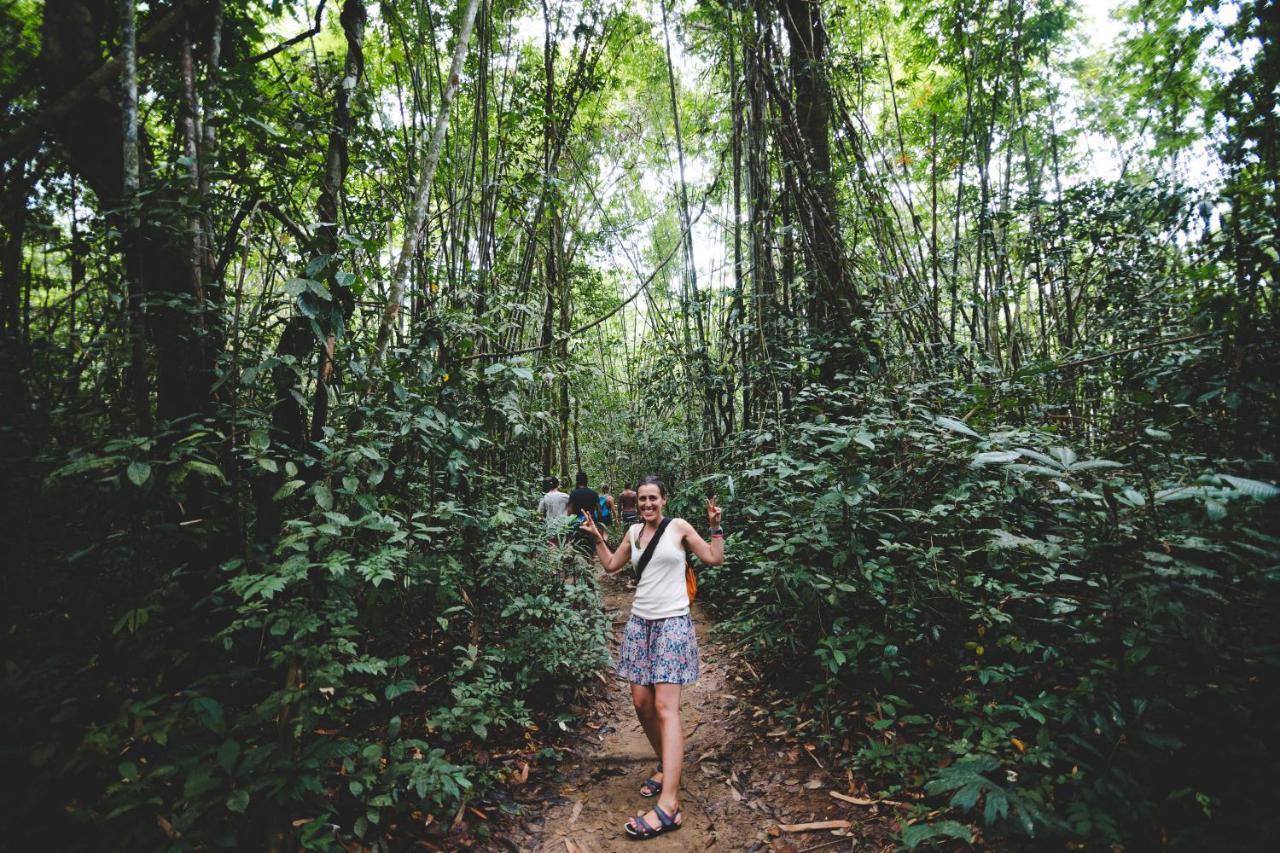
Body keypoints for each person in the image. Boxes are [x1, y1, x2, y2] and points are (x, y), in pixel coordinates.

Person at [579, 475, 724, 840]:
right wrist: (598, 539)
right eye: (642, 499)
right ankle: (666, 763)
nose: (647, 504)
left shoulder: (679, 528)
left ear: (664, 500)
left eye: (653, 499)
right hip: (640, 623)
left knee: (665, 708)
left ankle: (669, 804)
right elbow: (611, 565)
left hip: (673, 623)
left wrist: (716, 527)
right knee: (641, 703)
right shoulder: (632, 534)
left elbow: (714, 558)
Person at [565, 471, 600, 557]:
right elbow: (599, 510)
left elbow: (569, 511)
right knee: (591, 545)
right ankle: (590, 562)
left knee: (578, 545)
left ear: (577, 481)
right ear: (586, 481)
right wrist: (598, 522)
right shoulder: (593, 493)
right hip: (591, 522)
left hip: (578, 523)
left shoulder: (574, 493)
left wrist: (569, 524)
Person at [536, 476, 569, 544]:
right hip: (564, 528)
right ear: (557, 484)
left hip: (550, 528)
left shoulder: (545, 497)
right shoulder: (566, 496)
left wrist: (544, 521)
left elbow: (538, 515)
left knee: (552, 549)